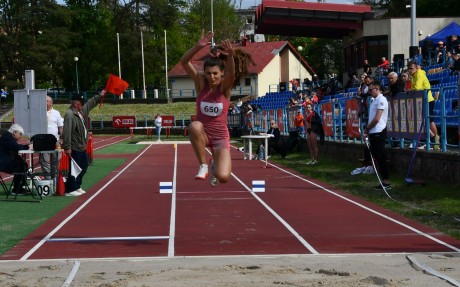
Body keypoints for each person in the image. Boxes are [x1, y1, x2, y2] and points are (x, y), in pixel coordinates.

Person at [180, 32, 253, 186]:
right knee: (194, 125)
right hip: (203, 134)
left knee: (223, 178)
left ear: (221, 74)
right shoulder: (201, 84)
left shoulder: (225, 89)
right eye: (208, 73)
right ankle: (203, 165)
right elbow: (184, 62)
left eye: (215, 74)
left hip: (220, 137)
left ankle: (214, 165)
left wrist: (231, 54)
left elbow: (232, 73)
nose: (211, 77)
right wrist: (197, 47)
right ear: (204, 74)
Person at [62, 90, 106, 196]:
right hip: (74, 146)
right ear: (76, 104)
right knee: (75, 169)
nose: (83, 104)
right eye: (82, 102)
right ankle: (70, 189)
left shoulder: (81, 111)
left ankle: (76, 186)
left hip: (82, 146)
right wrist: (67, 147)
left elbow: (90, 103)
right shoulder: (70, 115)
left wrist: (99, 96)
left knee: (83, 166)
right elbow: (67, 132)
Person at [363, 81, 391, 190]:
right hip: (374, 131)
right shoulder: (374, 100)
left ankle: (386, 181)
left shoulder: (381, 100)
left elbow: (377, 118)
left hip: (379, 130)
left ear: (377, 89)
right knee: (377, 156)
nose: (369, 92)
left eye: (371, 90)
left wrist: (367, 128)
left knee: (381, 157)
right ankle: (383, 180)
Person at [408, 61, 440, 150]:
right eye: (409, 69)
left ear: (416, 68)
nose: (410, 70)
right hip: (422, 100)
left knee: (428, 121)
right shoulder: (414, 76)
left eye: (412, 68)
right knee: (426, 121)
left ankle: (436, 139)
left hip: (428, 100)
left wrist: (411, 90)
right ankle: (434, 139)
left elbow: (417, 88)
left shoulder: (419, 74)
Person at [0, 124, 32, 194]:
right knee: (21, 166)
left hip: (3, 160)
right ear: (14, 132)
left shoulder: (8, 136)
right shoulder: (7, 137)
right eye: (20, 134)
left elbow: (16, 147)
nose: (20, 136)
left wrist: (27, 146)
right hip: (2, 162)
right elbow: (17, 148)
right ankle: (17, 189)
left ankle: (19, 187)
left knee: (22, 164)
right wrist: (28, 146)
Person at [39, 96, 64, 180]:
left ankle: (55, 178)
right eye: (44, 101)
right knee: (44, 161)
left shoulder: (56, 113)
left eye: (47, 101)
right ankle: (47, 179)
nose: (45, 102)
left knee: (56, 160)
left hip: (55, 140)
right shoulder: (39, 112)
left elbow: (60, 127)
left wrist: (61, 138)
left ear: (51, 103)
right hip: (43, 141)